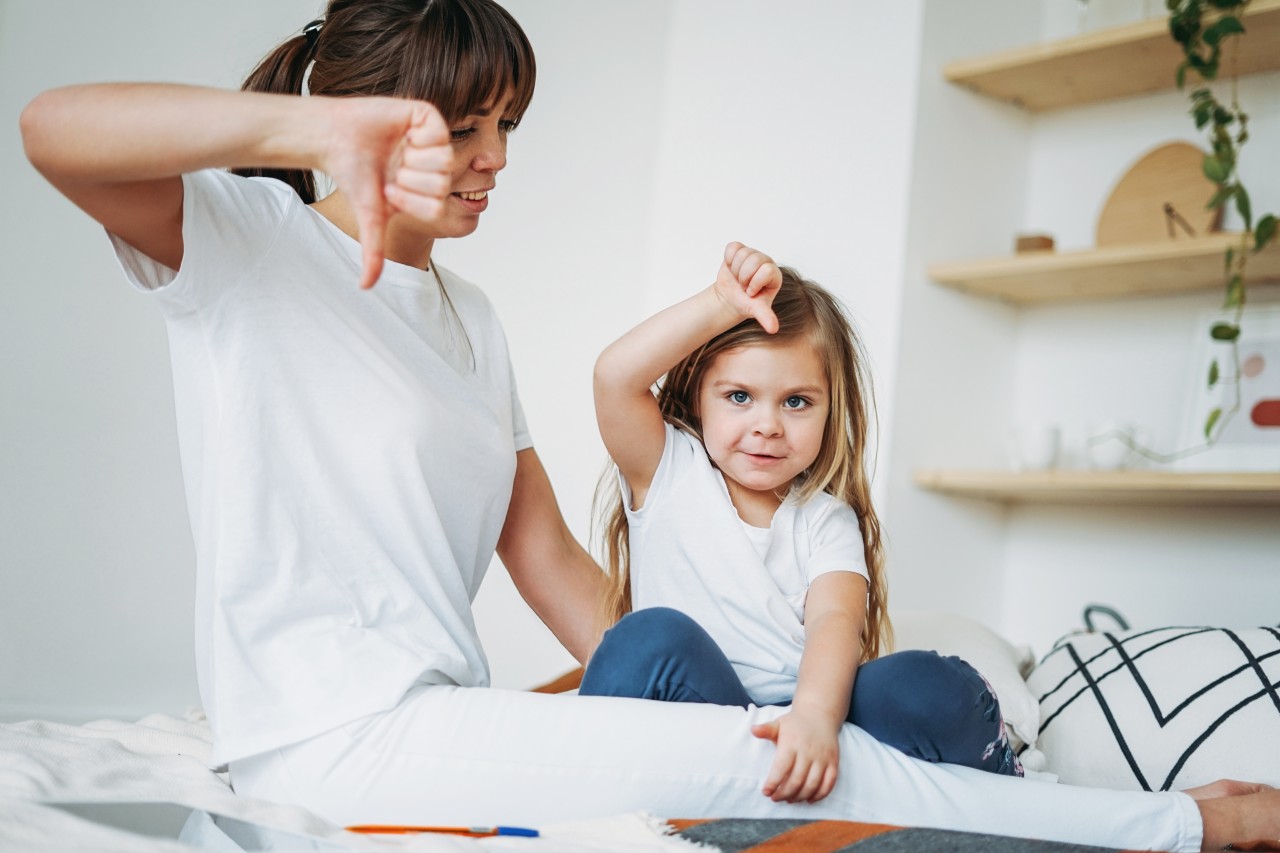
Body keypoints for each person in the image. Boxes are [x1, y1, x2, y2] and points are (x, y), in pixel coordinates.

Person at [18, 1, 1280, 850]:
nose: (495, 157)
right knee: (789, 768)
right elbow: (51, 130)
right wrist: (306, 133)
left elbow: (545, 554)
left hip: (434, 711)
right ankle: (1185, 825)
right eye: (463, 128)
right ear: (365, 121)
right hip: (320, 732)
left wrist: (677, 696)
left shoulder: (471, 315)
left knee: (757, 749)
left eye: (506, 124)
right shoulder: (253, 247)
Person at [580, 244, 1021, 805]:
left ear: (831, 409)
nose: (767, 425)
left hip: (809, 706)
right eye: (739, 396)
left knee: (927, 684)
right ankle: (583, 812)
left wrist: (813, 716)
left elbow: (836, 618)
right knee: (646, 640)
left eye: (796, 402)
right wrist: (720, 302)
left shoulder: (824, 518)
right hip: (710, 710)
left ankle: (1010, 784)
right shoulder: (669, 471)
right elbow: (613, 377)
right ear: (699, 396)